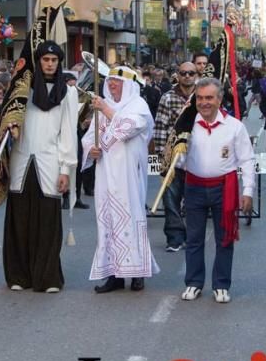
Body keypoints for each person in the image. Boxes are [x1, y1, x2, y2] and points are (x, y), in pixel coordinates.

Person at [4, 41, 79, 293]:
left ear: (59, 63)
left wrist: (66, 169)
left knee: (47, 221)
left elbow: (68, 133)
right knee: (20, 219)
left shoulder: (67, 93)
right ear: (38, 62)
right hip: (22, 158)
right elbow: (7, 116)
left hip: (51, 160)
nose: (49, 64)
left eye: (54, 60)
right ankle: (18, 275)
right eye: (45, 60)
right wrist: (9, 124)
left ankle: (47, 277)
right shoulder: (22, 90)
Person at [176, 78, 254, 304]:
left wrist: (247, 191)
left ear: (219, 99)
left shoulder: (235, 126)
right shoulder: (186, 124)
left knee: (224, 239)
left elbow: (247, 160)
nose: (204, 103)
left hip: (224, 188)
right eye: (199, 98)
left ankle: (221, 284)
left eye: (209, 98)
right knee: (194, 238)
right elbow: (177, 158)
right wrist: (176, 156)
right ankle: (193, 282)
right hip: (194, 187)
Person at [82, 66, 158, 293]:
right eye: (110, 81)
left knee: (130, 216)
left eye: (117, 81)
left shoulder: (138, 106)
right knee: (108, 219)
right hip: (105, 172)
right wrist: (91, 150)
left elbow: (128, 128)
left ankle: (137, 273)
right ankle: (114, 274)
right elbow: (89, 137)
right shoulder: (102, 106)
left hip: (128, 173)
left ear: (129, 85)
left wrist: (105, 109)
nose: (112, 85)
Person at [153, 61, 199, 251]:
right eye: (183, 73)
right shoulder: (168, 97)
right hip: (173, 156)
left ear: (196, 74)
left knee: (195, 200)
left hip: (197, 157)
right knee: (171, 200)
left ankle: (193, 237)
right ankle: (174, 237)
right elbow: (160, 127)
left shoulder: (202, 96)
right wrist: (163, 156)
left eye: (191, 73)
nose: (187, 76)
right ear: (177, 75)